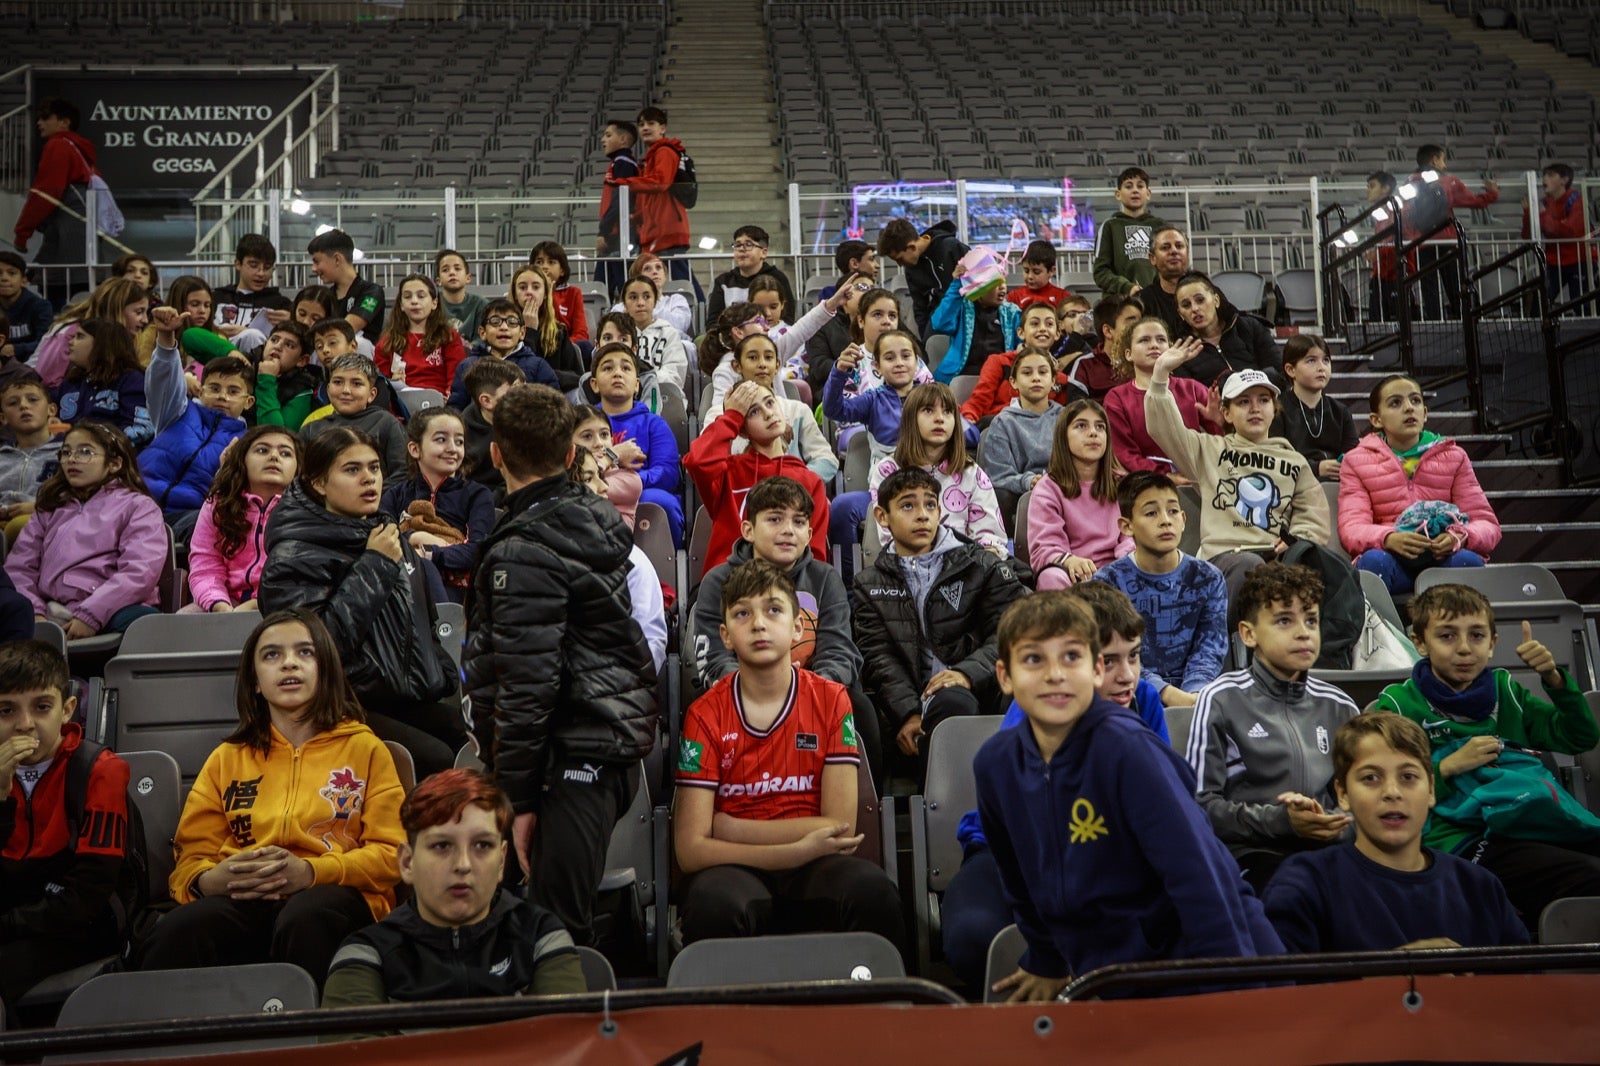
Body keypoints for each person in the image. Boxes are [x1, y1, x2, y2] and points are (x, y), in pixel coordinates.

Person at [975, 591, 1282, 1002]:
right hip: (1110, 974)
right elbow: (1018, 878)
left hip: (1206, 964)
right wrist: (1047, 957)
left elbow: (1201, 877)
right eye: (1034, 659)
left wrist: (1233, 992)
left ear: (1095, 668)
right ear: (1004, 676)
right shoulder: (994, 765)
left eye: (1071, 657)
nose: (1054, 675)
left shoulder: (1130, 750)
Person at [463, 383, 656, 946]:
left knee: (556, 938)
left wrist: (518, 801)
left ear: (495, 454)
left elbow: (527, 686)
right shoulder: (585, 518)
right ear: (571, 456)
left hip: (573, 753)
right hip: (592, 747)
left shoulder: (527, 547)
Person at [135, 609, 404, 988]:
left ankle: (314, 1042)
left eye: (305, 652)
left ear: (325, 669)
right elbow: (190, 858)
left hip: (332, 897)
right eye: (272, 654)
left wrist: (311, 872)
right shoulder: (228, 758)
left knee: (306, 917)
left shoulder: (366, 748)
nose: (289, 662)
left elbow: (393, 854)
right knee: (179, 930)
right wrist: (210, 881)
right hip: (244, 900)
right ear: (256, 682)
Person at [941, 581, 1168, 993]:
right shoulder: (1039, 708)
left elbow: (1165, 814)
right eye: (1109, 661)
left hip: (1110, 854)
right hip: (1010, 852)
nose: (1126, 677)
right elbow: (1028, 828)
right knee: (974, 937)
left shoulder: (1142, 700)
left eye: (1132, 658)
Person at [674, 559, 903, 949]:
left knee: (873, 893)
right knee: (713, 905)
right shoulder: (704, 713)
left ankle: (870, 1009)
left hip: (816, 866)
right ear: (726, 636)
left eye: (773, 609)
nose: (759, 623)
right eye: (743, 613)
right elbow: (691, 850)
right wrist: (795, 850)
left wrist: (730, 827)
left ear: (798, 627)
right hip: (736, 870)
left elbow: (840, 826)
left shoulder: (832, 700)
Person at [1372, 583, 1600, 930]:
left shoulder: (1508, 691)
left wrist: (1555, 680)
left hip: (1530, 822)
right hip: (1462, 840)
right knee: (1587, 875)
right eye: (1447, 636)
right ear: (1420, 642)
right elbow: (1386, 795)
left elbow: (1580, 737)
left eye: (1477, 636)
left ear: (1493, 644)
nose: (1464, 649)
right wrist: (1447, 766)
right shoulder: (1399, 705)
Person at [261, 427, 462, 778]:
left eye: (374, 468)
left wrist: (440, 674)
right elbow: (316, 648)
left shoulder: (385, 534)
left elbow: (422, 622)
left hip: (404, 695)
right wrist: (375, 565)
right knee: (437, 759)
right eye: (352, 470)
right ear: (319, 483)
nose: (369, 479)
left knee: (479, 740)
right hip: (337, 702)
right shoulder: (293, 555)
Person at [321, 768, 584, 1023]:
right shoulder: (366, 956)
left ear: (502, 861)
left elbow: (570, 1048)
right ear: (407, 863)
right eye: (442, 846)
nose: (463, 864)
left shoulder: (541, 937)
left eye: (482, 845)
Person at [1262, 714, 1528, 954]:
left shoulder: (1479, 887)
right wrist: (1397, 978)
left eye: (1409, 777)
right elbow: (1281, 996)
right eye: (1370, 778)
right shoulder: (1305, 883)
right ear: (1343, 794)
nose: (1392, 792)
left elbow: (1525, 992)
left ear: (1432, 790)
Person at [1186, 563, 1359, 892]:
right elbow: (1200, 806)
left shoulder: (1340, 705)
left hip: (1331, 850)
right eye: (1284, 620)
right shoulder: (1220, 699)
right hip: (1252, 853)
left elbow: (1361, 799)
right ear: (1249, 634)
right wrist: (1283, 822)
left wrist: (1336, 825)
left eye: (1311, 620)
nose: (1303, 632)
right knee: (1293, 892)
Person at [853, 467, 1027, 762]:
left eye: (930, 504)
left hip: (984, 683)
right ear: (882, 517)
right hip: (916, 699)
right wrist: (907, 713)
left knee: (1016, 694)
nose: (922, 515)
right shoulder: (869, 585)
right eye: (908, 505)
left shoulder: (980, 565)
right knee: (949, 704)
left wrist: (965, 673)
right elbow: (879, 658)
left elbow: (1012, 632)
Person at [0, 639, 130, 1019]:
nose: (25, 724)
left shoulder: (101, 771)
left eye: (42, 707)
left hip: (81, 923)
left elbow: (88, 895)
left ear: (67, 709)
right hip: (15, 913)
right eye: (7, 710)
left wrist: (5, 925)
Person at [1146, 349, 1330, 606]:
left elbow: (1314, 515)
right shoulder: (1208, 450)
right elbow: (1162, 428)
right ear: (1227, 413)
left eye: (1263, 400)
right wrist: (1160, 375)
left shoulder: (1295, 461)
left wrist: (1296, 539)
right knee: (1251, 566)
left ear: (1274, 409)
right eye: (1243, 401)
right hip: (1225, 559)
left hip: (1278, 557)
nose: (1255, 408)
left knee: (1333, 572)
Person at [1338, 374, 1500, 595]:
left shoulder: (1454, 456)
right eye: (1396, 403)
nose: (1408, 408)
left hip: (1444, 559)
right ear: (1376, 420)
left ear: (1425, 414)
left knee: (1468, 561)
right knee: (1373, 563)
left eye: (1415, 401)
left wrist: (1459, 536)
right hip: (1392, 559)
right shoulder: (1355, 461)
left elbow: (1487, 524)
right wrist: (1389, 538)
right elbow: (1352, 527)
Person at [6, 420, 164, 639]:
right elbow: (19, 568)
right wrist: (34, 612)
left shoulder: (139, 507)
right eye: (67, 452)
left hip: (112, 609)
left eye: (85, 452)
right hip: (49, 609)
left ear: (114, 464)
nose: (72, 459)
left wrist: (90, 615)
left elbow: (140, 571)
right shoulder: (49, 508)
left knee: (145, 622)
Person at [1093, 471, 1226, 708]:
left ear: (1184, 519)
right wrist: (1164, 693)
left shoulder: (1208, 578)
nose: (1165, 520)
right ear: (1126, 526)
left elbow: (1209, 648)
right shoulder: (1106, 584)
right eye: (1151, 513)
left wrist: (1193, 694)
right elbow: (1112, 656)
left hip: (1195, 695)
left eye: (1173, 511)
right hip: (1131, 695)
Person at [686, 377, 830, 576]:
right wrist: (731, 417)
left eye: (770, 402)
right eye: (753, 411)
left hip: (787, 590)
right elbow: (697, 462)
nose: (768, 413)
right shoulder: (728, 473)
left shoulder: (809, 481)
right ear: (742, 430)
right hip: (729, 585)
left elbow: (814, 554)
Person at [139, 308, 256, 529]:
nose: (222, 396)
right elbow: (162, 383)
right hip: (137, 503)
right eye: (214, 388)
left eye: (233, 391)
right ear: (200, 391)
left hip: (187, 516)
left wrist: (226, 470)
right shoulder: (177, 412)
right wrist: (165, 338)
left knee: (211, 523)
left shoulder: (246, 443)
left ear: (248, 402)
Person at [870, 382, 1005, 555]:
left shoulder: (971, 472)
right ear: (911, 419)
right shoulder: (887, 471)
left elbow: (990, 535)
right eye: (928, 410)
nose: (940, 418)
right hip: (908, 568)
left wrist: (985, 556)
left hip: (966, 569)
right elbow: (891, 539)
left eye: (947, 411)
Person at [379, 407, 495, 600]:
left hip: (458, 589)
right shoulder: (396, 494)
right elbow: (381, 538)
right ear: (415, 449)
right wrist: (417, 536)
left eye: (459, 441)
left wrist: (431, 553)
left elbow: (478, 550)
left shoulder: (477, 495)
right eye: (441, 439)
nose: (452, 448)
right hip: (403, 583)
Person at [568, 447, 666, 673]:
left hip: (617, 693)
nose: (604, 488)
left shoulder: (630, 559)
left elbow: (650, 644)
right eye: (589, 479)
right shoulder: (536, 553)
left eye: (600, 476)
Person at [187, 425, 300, 613]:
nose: (274, 457)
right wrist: (219, 604)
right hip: (225, 603)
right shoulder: (217, 505)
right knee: (182, 622)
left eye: (286, 453)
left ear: (298, 467)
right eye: (262, 450)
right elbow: (205, 566)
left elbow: (303, 577)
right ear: (243, 461)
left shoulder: (305, 511)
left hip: (284, 604)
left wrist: (257, 604)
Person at [700, 332, 836, 482]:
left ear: (777, 365)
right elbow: (707, 459)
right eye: (752, 357)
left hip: (795, 494)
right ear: (737, 366)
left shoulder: (797, 410)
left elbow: (826, 459)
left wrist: (795, 482)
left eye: (769, 357)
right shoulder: (719, 414)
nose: (762, 364)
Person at [1028, 398, 1132, 591]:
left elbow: (1134, 534)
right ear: (1063, 436)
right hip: (1071, 573)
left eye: (1100, 427)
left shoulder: (1123, 483)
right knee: (1050, 577)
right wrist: (1070, 561)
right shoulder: (1048, 488)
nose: (1093, 432)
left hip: (1119, 569)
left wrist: (1126, 560)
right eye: (1081, 426)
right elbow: (1045, 547)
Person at [12, 98, 102, 307]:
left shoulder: (58, 145)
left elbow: (45, 193)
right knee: (83, 293)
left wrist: (22, 232)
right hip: (85, 234)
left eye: (45, 118)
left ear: (64, 122)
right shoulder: (81, 151)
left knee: (55, 292)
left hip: (67, 234)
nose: (39, 123)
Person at [1103, 316, 1216, 476]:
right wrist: (1164, 475)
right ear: (1128, 354)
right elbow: (1125, 453)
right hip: (1147, 482)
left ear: (1170, 348)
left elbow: (1219, 435)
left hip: (1199, 474)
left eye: (1161, 339)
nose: (1154, 345)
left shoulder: (1192, 388)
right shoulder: (1117, 398)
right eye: (1144, 340)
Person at [980, 349, 1067, 534]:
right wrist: (1028, 481)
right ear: (1014, 382)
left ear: (1053, 380)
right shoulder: (1003, 423)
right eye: (1027, 373)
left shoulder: (1066, 418)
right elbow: (999, 475)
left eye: (1043, 372)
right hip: (1024, 494)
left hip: (1066, 488)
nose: (1036, 378)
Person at [1409, 145, 1498, 320]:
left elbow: (1406, 214)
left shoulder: (1410, 182)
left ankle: (1435, 323)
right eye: (1443, 159)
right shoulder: (1449, 181)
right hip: (1446, 241)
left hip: (1422, 242)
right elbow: (1474, 202)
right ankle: (1465, 321)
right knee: (1455, 285)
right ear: (1434, 159)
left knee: (1430, 289)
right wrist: (1492, 193)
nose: (1445, 165)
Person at [608, 107, 693, 286]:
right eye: (641, 124)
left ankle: (704, 312)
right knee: (676, 282)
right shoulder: (652, 157)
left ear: (663, 128)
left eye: (651, 123)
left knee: (680, 283)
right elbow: (651, 199)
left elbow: (660, 182)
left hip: (666, 229)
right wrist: (635, 218)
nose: (645, 127)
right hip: (658, 230)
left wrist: (625, 182)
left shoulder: (664, 152)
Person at [960, 302, 1079, 426]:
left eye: (1049, 324)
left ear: (1057, 333)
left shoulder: (1060, 379)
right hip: (999, 426)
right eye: (1034, 324)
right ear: (1021, 332)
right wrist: (967, 424)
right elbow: (979, 400)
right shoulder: (999, 362)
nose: (1042, 328)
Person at [299, 350, 409, 482]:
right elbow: (300, 479)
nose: (346, 390)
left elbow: (403, 474)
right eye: (338, 382)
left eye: (356, 384)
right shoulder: (311, 430)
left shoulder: (385, 423)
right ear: (328, 390)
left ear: (371, 394)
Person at [1170, 271, 1282, 390]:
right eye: (1186, 305)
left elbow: (1278, 373)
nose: (1195, 308)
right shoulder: (1181, 352)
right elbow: (1191, 398)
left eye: (1200, 300)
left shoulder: (1249, 327)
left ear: (1216, 300)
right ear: (1180, 314)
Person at [1269, 334, 1358, 483]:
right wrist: (1316, 467)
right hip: (1293, 483)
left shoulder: (1340, 411)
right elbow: (1275, 459)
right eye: (1311, 361)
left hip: (1339, 483)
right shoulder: (1277, 409)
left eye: (1326, 360)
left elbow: (1354, 454)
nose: (1321, 367)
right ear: (1291, 370)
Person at [32, 277, 149, 391]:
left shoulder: (122, 339)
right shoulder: (69, 331)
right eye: (139, 312)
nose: (145, 320)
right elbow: (46, 384)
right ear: (116, 308)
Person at [53, 317, 152, 447]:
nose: (71, 342)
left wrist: (94, 444)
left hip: (114, 458)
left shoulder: (131, 380)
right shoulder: (70, 382)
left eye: (80, 336)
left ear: (102, 344)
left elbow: (141, 429)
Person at [447, 297, 559, 409]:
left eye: (512, 322)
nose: (504, 327)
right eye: (495, 322)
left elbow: (554, 407)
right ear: (482, 332)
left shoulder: (538, 366)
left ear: (522, 332)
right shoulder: (468, 366)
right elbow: (456, 408)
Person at [928, 253, 1021, 382]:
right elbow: (939, 323)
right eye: (994, 284)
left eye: (1003, 281)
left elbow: (1021, 347)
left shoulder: (1012, 313)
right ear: (979, 287)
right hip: (962, 374)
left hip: (1000, 377)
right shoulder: (962, 307)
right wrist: (956, 286)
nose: (1002, 287)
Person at [876, 218, 968, 337]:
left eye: (899, 259)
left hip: (968, 315)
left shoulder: (951, 247)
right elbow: (920, 307)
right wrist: (925, 338)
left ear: (912, 247)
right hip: (939, 321)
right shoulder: (911, 269)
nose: (899, 264)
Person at [376, 274, 466, 395]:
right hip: (402, 403)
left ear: (434, 303)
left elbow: (456, 378)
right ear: (401, 305)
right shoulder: (388, 341)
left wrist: (449, 397)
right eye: (407, 297)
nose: (414, 301)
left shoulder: (448, 336)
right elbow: (379, 384)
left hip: (440, 403)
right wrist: (392, 383)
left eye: (421, 296)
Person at [1522, 163, 1596, 310]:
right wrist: (1528, 214)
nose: (1544, 179)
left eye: (1550, 175)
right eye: (1544, 175)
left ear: (1564, 180)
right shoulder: (1544, 203)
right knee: (1539, 305)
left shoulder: (1576, 201)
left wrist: (1542, 215)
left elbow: (1570, 231)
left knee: (1582, 306)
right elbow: (1527, 235)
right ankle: (1539, 332)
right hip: (1554, 261)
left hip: (1580, 261)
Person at [0, 375, 63, 546]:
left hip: (46, 522)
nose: (24, 405)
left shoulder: (67, 453)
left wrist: (40, 506)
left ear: (51, 410)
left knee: (21, 527)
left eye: (33, 399)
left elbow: (78, 495)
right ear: (3, 418)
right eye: (13, 403)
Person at [1091, 167, 1166, 299]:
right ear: (1118, 194)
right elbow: (1100, 272)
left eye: (1140, 186)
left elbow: (1167, 264)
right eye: (1129, 186)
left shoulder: (1161, 227)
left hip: (1156, 301)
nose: (1135, 190)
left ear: (1148, 193)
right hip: (1119, 303)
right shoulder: (1110, 226)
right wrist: (1127, 287)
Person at [509, 265, 584, 392]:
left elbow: (576, 377)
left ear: (544, 294)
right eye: (522, 287)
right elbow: (520, 374)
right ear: (515, 295)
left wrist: (543, 375)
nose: (529, 292)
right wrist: (530, 332)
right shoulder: (504, 330)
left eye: (536, 287)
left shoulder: (558, 331)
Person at [211, 234, 292, 349]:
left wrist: (292, 322)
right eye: (253, 265)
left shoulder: (281, 305)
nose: (261, 273)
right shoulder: (217, 298)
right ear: (238, 264)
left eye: (267, 267)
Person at [706, 225, 797, 326]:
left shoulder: (777, 279)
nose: (741, 249)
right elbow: (714, 322)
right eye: (737, 245)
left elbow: (788, 318)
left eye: (748, 245)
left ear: (764, 252)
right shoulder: (723, 281)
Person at [308, 229, 385, 347]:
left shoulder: (372, 292)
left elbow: (345, 330)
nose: (313, 268)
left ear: (337, 259)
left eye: (317, 262)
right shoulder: (327, 296)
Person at [571, 403, 641, 530]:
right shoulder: (563, 476)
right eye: (587, 436)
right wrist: (611, 455)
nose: (598, 443)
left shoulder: (629, 479)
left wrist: (609, 457)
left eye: (604, 435)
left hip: (611, 547)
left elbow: (583, 490)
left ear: (612, 441)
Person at [460, 357, 523, 494]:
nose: (524, 398)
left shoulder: (529, 422)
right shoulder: (461, 435)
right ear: (486, 401)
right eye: (514, 393)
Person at [1065, 294, 1143, 402]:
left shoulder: (1148, 362)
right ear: (1108, 331)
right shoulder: (1085, 365)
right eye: (1132, 323)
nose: (1141, 329)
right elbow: (1076, 411)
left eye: (1141, 322)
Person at [595, 120, 640, 298]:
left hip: (618, 236)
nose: (602, 140)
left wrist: (604, 231)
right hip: (616, 235)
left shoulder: (624, 163)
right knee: (603, 287)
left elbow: (620, 200)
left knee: (618, 290)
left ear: (622, 139)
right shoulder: (619, 163)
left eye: (608, 135)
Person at [621, 274, 689, 391]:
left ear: (655, 301)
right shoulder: (618, 334)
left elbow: (675, 377)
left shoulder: (669, 333)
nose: (640, 303)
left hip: (663, 396)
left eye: (647, 296)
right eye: (633, 297)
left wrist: (643, 379)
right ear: (624, 304)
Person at [253, 322, 321, 432]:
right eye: (274, 340)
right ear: (265, 344)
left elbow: (275, 434)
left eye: (289, 345)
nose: (278, 346)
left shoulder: (303, 391)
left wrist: (266, 381)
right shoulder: (245, 367)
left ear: (302, 360)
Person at [614, 253, 692, 337]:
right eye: (647, 269)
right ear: (637, 277)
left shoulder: (676, 300)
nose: (655, 272)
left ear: (665, 275)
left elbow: (681, 325)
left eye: (658, 267)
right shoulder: (620, 308)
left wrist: (638, 315)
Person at [529, 241, 590, 345]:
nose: (544, 267)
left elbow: (581, 333)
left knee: (584, 345)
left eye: (551, 262)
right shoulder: (529, 292)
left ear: (562, 270)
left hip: (566, 345)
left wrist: (562, 347)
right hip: (537, 343)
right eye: (539, 262)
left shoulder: (574, 293)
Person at [1364, 172, 1405, 323]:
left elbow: (1396, 239)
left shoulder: (1396, 210)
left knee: (1398, 315)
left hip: (1395, 272)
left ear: (1385, 188)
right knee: (1377, 317)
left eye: (1372, 186)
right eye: (1368, 186)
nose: (1368, 190)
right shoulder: (1380, 213)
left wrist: (1378, 254)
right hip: (1382, 273)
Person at [0, 251, 53, 363]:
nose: (4, 278)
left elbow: (46, 343)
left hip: (30, 367)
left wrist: (16, 349)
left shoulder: (40, 306)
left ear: (24, 280)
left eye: (12, 273)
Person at [1138, 226, 1190, 335]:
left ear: (1187, 254)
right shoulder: (1141, 301)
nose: (1174, 251)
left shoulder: (1208, 292)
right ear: (1152, 258)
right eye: (1165, 247)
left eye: (1179, 246)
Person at [434, 249, 487, 342]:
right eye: (445, 270)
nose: (452, 273)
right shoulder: (432, 304)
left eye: (457, 268)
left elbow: (482, 339)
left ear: (468, 278)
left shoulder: (481, 304)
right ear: (438, 281)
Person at [1005, 240, 1072, 312]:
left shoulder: (1063, 298)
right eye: (1026, 271)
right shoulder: (1014, 297)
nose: (1030, 276)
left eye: (1036, 272)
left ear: (1051, 271)